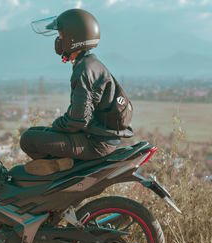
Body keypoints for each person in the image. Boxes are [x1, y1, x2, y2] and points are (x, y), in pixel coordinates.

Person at [21, 8, 133, 176]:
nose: (58, 40)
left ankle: (63, 167)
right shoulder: (91, 63)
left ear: (73, 39)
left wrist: (57, 125)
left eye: (60, 35)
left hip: (95, 143)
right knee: (37, 132)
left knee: (28, 139)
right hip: (98, 136)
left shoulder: (84, 70)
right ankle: (62, 163)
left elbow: (79, 120)